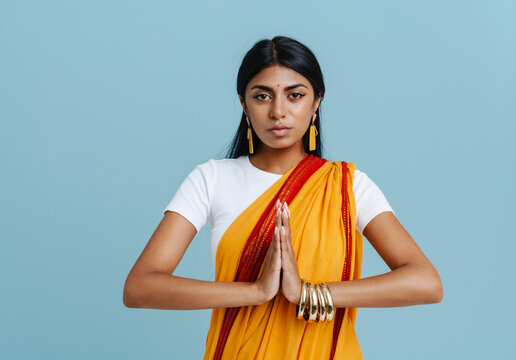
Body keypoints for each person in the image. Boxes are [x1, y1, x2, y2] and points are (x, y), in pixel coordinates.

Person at [123, 35, 443, 359]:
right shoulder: (211, 179)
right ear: (243, 105)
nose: (278, 111)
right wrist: (256, 291)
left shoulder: (348, 187)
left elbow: (426, 282)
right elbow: (139, 288)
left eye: (295, 95)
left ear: (316, 102)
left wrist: (307, 293)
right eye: (262, 96)